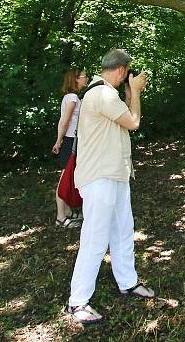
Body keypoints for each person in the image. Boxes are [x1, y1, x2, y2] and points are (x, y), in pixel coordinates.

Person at [66, 49, 153, 326]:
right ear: (121, 71)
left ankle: (127, 281)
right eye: (127, 74)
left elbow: (122, 123)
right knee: (95, 237)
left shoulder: (105, 94)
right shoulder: (101, 94)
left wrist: (130, 94)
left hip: (115, 174)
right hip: (99, 177)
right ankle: (78, 301)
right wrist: (136, 92)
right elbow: (134, 122)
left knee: (123, 229)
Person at [52, 68, 89, 228]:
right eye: (83, 76)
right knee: (64, 180)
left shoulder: (71, 97)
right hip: (71, 141)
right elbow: (64, 122)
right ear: (75, 79)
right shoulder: (72, 97)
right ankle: (60, 217)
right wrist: (59, 141)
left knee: (71, 177)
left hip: (73, 141)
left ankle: (68, 211)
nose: (86, 78)